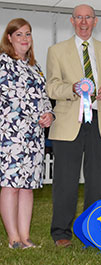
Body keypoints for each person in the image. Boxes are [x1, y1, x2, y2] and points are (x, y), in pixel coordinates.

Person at [46, 4, 101, 247]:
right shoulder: (56, 51)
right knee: (65, 181)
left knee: (97, 181)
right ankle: (61, 233)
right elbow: (52, 87)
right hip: (69, 121)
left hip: (100, 121)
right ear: (72, 21)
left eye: (88, 17)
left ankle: (93, 231)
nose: (84, 22)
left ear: (95, 21)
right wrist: (73, 88)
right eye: (79, 17)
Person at [0, 18, 53, 249]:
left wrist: (49, 114)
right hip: (10, 134)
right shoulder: (2, 63)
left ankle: (25, 236)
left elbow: (44, 98)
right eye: (19, 34)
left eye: (28, 34)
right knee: (11, 185)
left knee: (28, 186)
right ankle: (13, 238)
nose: (24, 38)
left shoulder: (35, 66)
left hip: (33, 135)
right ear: (9, 37)